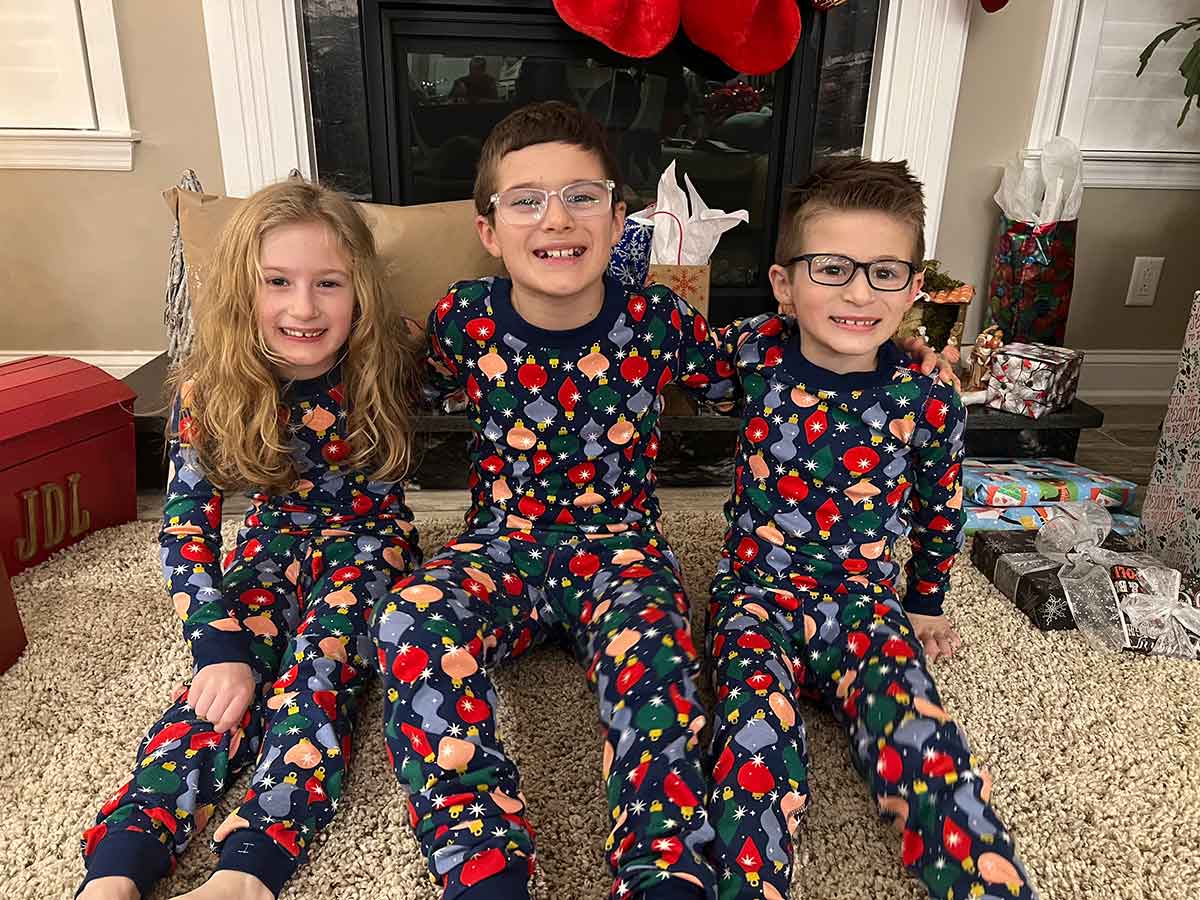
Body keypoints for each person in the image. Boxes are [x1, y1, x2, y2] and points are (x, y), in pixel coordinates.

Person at [371, 100, 736, 900]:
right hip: (497, 545)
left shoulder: (660, 320)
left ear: (618, 219)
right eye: (526, 199)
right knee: (405, 619)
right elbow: (400, 382)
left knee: (662, 669)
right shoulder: (464, 318)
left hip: (624, 552)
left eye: (581, 195)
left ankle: (663, 872)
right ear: (490, 230)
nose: (556, 218)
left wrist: (890, 351)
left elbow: (742, 378)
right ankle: (485, 867)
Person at [78, 181, 423, 900]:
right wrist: (219, 645)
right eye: (278, 282)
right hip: (267, 551)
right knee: (215, 700)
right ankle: (123, 860)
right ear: (245, 287)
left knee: (315, 682)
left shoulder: (394, 358)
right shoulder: (212, 385)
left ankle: (249, 868)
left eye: (328, 283)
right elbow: (184, 527)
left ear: (359, 289)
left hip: (369, 554)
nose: (303, 307)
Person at [703, 158, 1037, 899]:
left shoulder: (926, 398)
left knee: (926, 746)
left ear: (915, 289)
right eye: (831, 269)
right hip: (753, 596)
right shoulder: (753, 357)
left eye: (885, 271)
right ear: (784, 285)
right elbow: (666, 362)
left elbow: (941, 507)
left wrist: (925, 602)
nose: (859, 291)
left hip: (864, 602)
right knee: (751, 746)